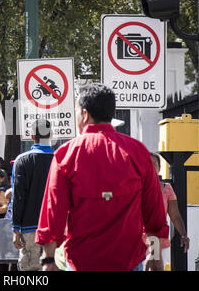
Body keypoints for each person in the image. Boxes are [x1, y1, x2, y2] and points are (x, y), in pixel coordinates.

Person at [35, 83, 169, 271]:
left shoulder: (66, 154)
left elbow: (53, 212)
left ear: (85, 114)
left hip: (82, 261)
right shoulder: (138, 152)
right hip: (129, 261)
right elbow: (153, 212)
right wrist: (155, 255)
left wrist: (48, 260)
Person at [11, 119, 54, 271]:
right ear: (51, 135)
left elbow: (18, 197)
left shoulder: (22, 160)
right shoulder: (60, 158)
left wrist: (16, 229)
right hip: (55, 229)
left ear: (32, 136)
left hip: (29, 229)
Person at [143, 153, 190, 271]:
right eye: (149, 164)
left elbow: (175, 216)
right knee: (154, 260)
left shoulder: (166, 188)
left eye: (155, 164)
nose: (152, 167)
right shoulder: (139, 186)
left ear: (159, 167)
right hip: (143, 230)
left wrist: (184, 234)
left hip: (159, 230)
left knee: (155, 262)